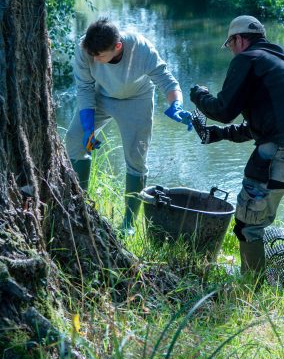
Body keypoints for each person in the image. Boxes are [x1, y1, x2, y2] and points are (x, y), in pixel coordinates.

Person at [190, 15, 284, 294]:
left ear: (239, 39)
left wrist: (198, 95)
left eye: (230, 44)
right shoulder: (281, 62)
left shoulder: (248, 60)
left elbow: (222, 110)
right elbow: (264, 124)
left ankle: (252, 293)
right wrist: (219, 135)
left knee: (248, 224)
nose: (231, 51)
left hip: (282, 154)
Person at [65, 17, 192, 231]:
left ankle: (128, 223)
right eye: (92, 55)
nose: (94, 60)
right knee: (75, 140)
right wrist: (88, 127)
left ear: (117, 47)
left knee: (136, 157)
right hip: (100, 97)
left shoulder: (141, 48)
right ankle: (80, 206)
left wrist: (176, 105)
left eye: (100, 55)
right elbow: (84, 88)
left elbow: (166, 80)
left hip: (137, 100)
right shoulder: (85, 48)